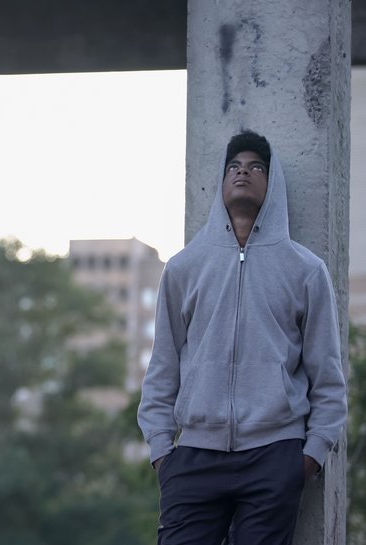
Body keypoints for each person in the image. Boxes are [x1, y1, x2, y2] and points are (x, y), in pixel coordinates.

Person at [137, 130, 348, 545]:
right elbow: (162, 365)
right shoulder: (184, 268)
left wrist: (310, 456)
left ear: (273, 183)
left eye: (256, 167)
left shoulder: (305, 270)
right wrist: (162, 452)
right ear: (221, 182)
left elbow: (327, 374)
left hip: (274, 455)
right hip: (194, 457)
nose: (243, 172)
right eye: (233, 166)